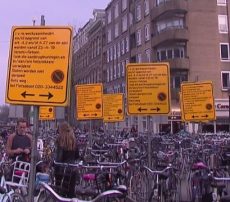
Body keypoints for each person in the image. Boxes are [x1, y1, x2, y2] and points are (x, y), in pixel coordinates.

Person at [54, 121, 79, 197]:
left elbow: (58, 157)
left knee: (60, 193)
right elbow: (77, 155)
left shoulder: (60, 139)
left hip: (62, 169)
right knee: (71, 193)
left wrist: (54, 165)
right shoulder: (73, 140)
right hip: (72, 169)